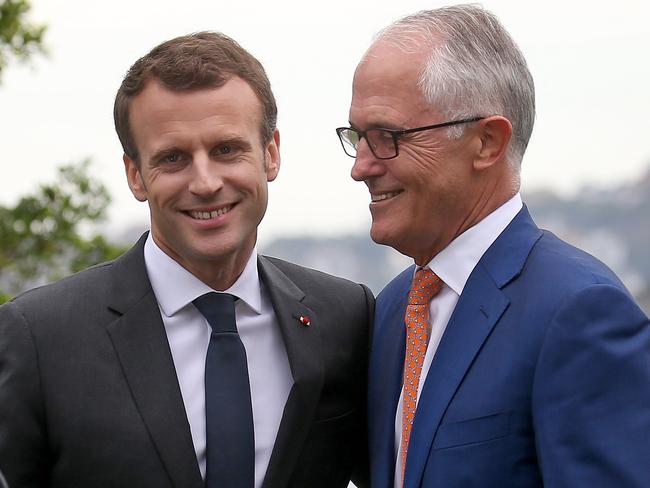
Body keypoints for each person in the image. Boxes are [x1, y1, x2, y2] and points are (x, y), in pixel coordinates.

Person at [0, 32, 372, 488]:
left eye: (226, 150)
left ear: (270, 154)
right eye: (173, 158)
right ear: (135, 175)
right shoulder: (39, 337)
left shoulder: (345, 317)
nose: (205, 182)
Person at [336, 4, 650, 487]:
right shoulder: (393, 309)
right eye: (358, 136)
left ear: (487, 142)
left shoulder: (579, 312)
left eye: (387, 137)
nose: (360, 167)